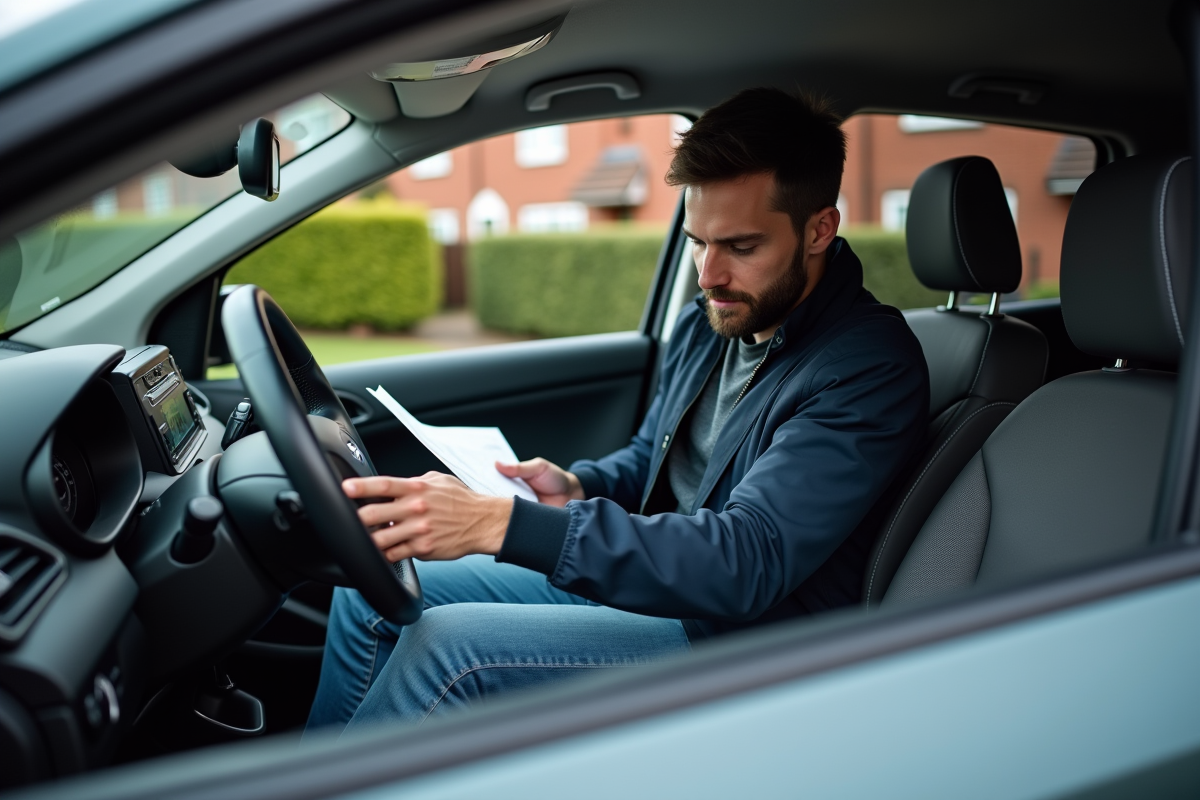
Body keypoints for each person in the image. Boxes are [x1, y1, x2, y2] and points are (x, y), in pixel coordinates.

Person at [305, 87, 930, 734]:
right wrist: (578, 486)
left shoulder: (866, 366)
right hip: (661, 581)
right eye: (696, 242)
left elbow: (748, 559)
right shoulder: (714, 321)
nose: (708, 274)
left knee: (448, 651)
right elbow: (655, 457)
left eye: (741, 248)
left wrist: (501, 525)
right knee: (373, 586)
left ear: (819, 230)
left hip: (738, 633)